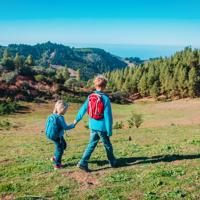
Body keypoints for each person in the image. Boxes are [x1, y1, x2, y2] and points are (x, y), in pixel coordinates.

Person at [74, 75, 117, 172]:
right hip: (102, 128)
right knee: (108, 145)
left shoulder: (90, 97)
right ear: (105, 86)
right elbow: (108, 116)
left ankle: (83, 162)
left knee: (91, 144)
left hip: (92, 126)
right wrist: (109, 130)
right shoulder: (105, 99)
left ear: (95, 85)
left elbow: (83, 109)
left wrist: (76, 120)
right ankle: (112, 161)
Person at [45, 100, 75, 169]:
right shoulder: (60, 118)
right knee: (60, 149)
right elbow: (66, 127)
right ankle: (57, 164)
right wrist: (73, 124)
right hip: (57, 136)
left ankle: (55, 157)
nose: (66, 111)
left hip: (51, 135)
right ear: (62, 109)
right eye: (66, 109)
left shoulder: (51, 115)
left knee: (63, 145)